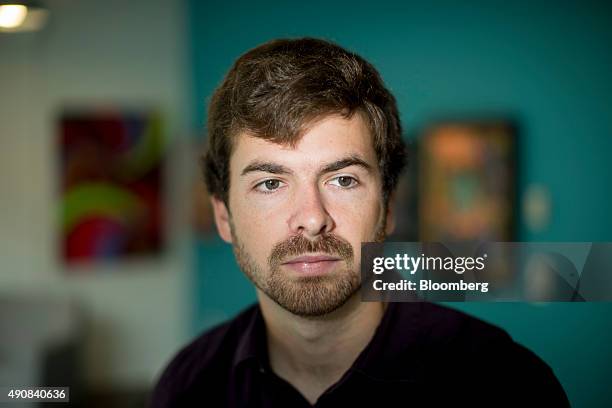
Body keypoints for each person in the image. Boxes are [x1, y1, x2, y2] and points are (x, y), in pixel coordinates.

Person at [151, 38, 568, 407]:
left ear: (388, 207)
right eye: (271, 183)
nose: (312, 219)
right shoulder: (188, 386)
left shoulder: (507, 384)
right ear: (223, 217)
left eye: (343, 180)